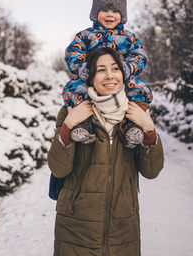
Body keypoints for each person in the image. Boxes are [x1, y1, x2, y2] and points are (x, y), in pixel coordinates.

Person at [48, 47, 164, 256]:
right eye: (101, 70)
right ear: (90, 76)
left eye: (115, 69)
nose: (110, 75)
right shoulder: (71, 111)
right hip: (76, 229)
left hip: (123, 228)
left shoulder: (137, 112)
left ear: (123, 74)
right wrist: (68, 126)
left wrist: (149, 129)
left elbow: (152, 171)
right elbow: (58, 168)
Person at [62, 0, 152, 148]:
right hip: (91, 78)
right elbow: (72, 52)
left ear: (122, 15)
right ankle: (82, 125)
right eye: (104, 10)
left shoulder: (128, 37)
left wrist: (128, 68)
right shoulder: (86, 36)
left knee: (140, 89)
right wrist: (82, 68)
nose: (110, 14)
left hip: (120, 79)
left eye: (115, 11)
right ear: (95, 14)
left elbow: (140, 54)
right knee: (74, 89)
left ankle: (133, 127)